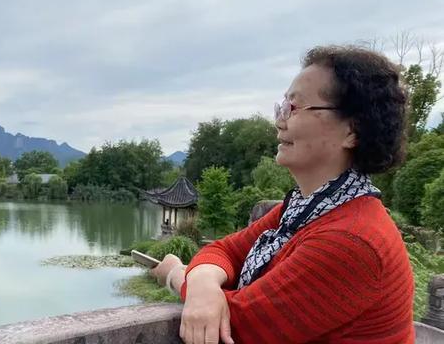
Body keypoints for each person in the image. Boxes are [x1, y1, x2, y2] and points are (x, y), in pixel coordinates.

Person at [151, 45, 414, 344]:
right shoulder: (306, 211)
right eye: (282, 107)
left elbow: (237, 326)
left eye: (294, 108)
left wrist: (176, 274)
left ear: (352, 130)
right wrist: (202, 280)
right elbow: (225, 250)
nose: (279, 121)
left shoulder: (352, 240)